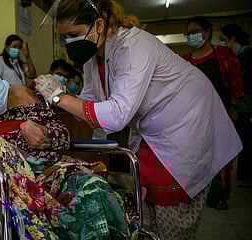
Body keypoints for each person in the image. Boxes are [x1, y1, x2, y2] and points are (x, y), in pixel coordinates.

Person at [34, 0, 242, 239]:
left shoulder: (133, 44)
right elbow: (89, 101)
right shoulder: (93, 58)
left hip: (187, 123)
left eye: (73, 35)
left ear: (98, 24)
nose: (69, 43)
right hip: (154, 128)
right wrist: (59, 99)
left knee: (171, 210)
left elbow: (117, 115)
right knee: (147, 206)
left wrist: (59, 97)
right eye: (64, 37)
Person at [0, 50, 128, 239]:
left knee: (93, 187)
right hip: (9, 190)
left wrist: (44, 133)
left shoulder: (24, 97)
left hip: (51, 175)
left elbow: (63, 136)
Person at [182, 16, 244, 210]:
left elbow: (235, 82)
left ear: (206, 32)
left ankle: (219, 195)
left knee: (220, 155)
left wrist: (233, 107)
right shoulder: (186, 60)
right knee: (196, 156)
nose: (191, 36)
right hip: (193, 116)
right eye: (188, 33)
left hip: (221, 112)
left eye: (194, 31)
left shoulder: (224, 54)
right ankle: (196, 190)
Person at [220, 24, 252, 188]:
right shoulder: (231, 56)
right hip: (235, 105)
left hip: (244, 106)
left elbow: (238, 84)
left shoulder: (246, 57)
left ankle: (246, 176)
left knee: (244, 141)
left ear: (232, 39)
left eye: (223, 40)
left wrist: (234, 106)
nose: (222, 43)